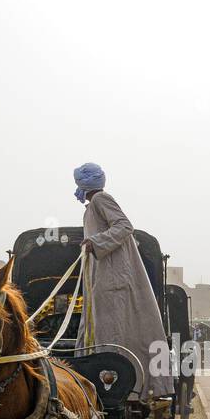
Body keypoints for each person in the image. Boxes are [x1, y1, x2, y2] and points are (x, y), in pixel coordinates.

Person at [72, 163, 175, 401]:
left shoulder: (101, 199)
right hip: (102, 278)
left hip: (113, 278)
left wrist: (95, 243)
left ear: (82, 183)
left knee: (114, 335)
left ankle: (123, 388)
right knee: (102, 333)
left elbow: (124, 226)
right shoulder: (93, 206)